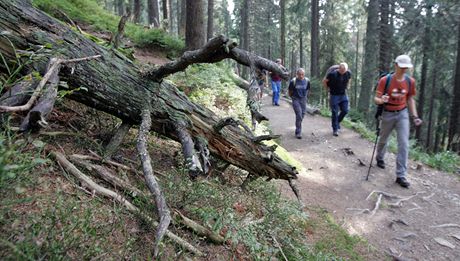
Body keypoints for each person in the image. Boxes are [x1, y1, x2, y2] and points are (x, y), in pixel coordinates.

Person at [374, 54, 423, 188]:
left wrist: (415, 116)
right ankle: (379, 157)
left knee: (404, 144)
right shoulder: (385, 80)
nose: (404, 69)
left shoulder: (410, 82)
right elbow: (376, 99)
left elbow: (410, 99)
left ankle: (401, 175)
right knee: (383, 139)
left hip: (402, 114)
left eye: (406, 67)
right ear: (395, 65)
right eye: (402, 67)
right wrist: (382, 100)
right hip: (387, 113)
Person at [322, 62, 352, 136]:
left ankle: (337, 121)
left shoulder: (348, 73)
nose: (342, 71)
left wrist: (348, 86)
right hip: (334, 95)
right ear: (339, 68)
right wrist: (327, 89)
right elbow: (324, 81)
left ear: (346, 69)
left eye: (344, 70)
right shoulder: (332, 74)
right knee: (335, 112)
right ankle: (335, 129)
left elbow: (349, 79)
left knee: (345, 110)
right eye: (341, 70)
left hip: (343, 94)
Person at [288, 68, 310, 139]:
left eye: (302, 74)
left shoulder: (307, 81)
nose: (301, 76)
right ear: (297, 74)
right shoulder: (293, 81)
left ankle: (298, 125)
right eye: (299, 74)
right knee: (299, 115)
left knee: (302, 115)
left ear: (304, 74)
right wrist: (293, 98)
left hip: (303, 99)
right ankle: (298, 132)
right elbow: (290, 91)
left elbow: (308, 89)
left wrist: (306, 97)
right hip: (296, 99)